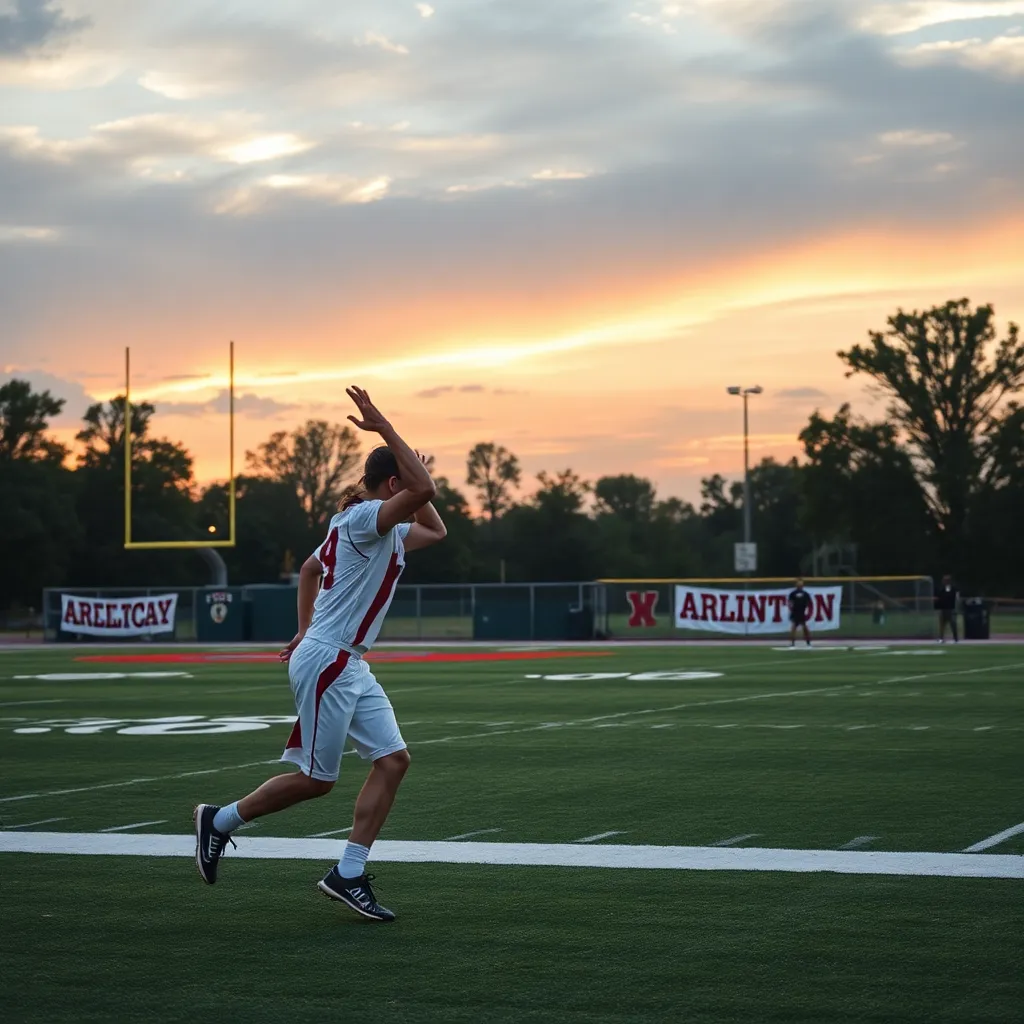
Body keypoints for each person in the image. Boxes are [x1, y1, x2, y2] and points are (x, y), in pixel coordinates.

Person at [193, 386, 446, 922]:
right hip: (331, 658)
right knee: (318, 781)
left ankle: (348, 873)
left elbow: (433, 528)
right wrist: (387, 432)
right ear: (394, 484)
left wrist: (303, 629)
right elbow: (422, 492)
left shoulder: (370, 525)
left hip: (344, 659)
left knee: (393, 760)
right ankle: (219, 820)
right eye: (407, 478)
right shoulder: (364, 519)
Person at [788, 578, 812, 647]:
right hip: (795, 612)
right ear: (796, 585)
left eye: (801, 583)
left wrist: (804, 607)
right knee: (793, 627)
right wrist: (792, 609)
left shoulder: (805, 594)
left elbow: (808, 602)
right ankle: (792, 643)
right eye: (798, 583)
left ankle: (808, 642)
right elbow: (790, 602)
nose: (799, 584)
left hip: (802, 613)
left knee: (805, 627)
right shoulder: (793, 593)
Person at [935, 574, 959, 643]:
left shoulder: (951, 588)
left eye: (945, 580)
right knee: (942, 625)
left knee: (953, 624)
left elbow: (951, 596)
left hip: (950, 609)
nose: (943, 581)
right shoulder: (942, 588)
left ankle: (955, 638)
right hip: (943, 608)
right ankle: (941, 638)